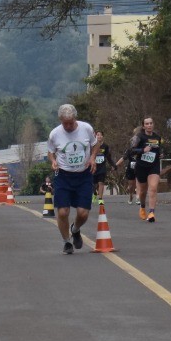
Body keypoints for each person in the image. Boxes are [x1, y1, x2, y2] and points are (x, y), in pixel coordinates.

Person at [47, 104, 102, 254]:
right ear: (60, 121)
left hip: (84, 174)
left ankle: (75, 229)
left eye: (71, 123)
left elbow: (95, 144)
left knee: (83, 213)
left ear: (75, 118)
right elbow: (50, 151)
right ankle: (66, 242)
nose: (69, 126)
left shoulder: (86, 128)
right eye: (65, 123)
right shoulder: (55, 134)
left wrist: (92, 157)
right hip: (63, 175)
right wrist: (53, 161)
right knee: (63, 212)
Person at [130, 116, 165, 223]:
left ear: (153, 124)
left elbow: (159, 150)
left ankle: (151, 212)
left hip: (153, 166)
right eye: (147, 124)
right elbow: (131, 150)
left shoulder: (157, 137)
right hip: (141, 167)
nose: (149, 125)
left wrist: (161, 154)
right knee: (143, 192)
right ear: (143, 126)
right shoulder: (139, 137)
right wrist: (142, 150)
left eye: (151, 123)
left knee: (153, 188)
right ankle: (142, 206)